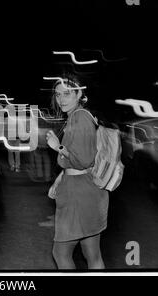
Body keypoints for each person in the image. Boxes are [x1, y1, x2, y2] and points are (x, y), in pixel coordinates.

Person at [46, 75, 108, 269]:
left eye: (67, 94)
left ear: (79, 93)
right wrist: (59, 179)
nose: (61, 99)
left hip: (79, 195)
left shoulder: (79, 117)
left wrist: (58, 147)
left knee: (60, 253)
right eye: (58, 95)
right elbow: (83, 159)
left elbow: (82, 160)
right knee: (92, 254)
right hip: (88, 189)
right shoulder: (80, 115)